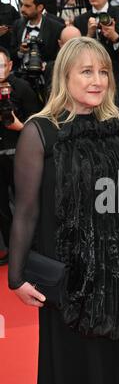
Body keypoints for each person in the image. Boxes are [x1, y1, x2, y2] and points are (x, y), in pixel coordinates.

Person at [8, 37, 119, 384]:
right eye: (86, 71)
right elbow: (26, 210)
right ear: (65, 75)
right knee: (80, 375)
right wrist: (16, 277)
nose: (97, 80)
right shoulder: (40, 131)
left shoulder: (116, 129)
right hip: (73, 287)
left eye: (103, 72)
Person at [0, 46, 41, 266]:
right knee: (2, 208)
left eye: (1, 65)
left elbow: (38, 125)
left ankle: (32, 250)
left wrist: (19, 126)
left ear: (10, 66)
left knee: (27, 203)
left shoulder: (23, 88)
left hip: (20, 154)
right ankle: (11, 249)